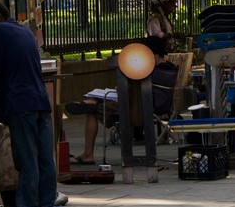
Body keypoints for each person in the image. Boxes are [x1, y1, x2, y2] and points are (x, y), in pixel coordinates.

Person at [0, 1, 57, 207]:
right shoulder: (25, 29)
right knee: (45, 159)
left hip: (20, 102)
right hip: (41, 101)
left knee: (27, 159)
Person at [65, 36, 179, 164]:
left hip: (139, 107)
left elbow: (138, 90)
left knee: (92, 111)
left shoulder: (152, 70)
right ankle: (92, 101)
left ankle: (88, 154)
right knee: (101, 100)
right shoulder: (168, 68)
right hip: (150, 104)